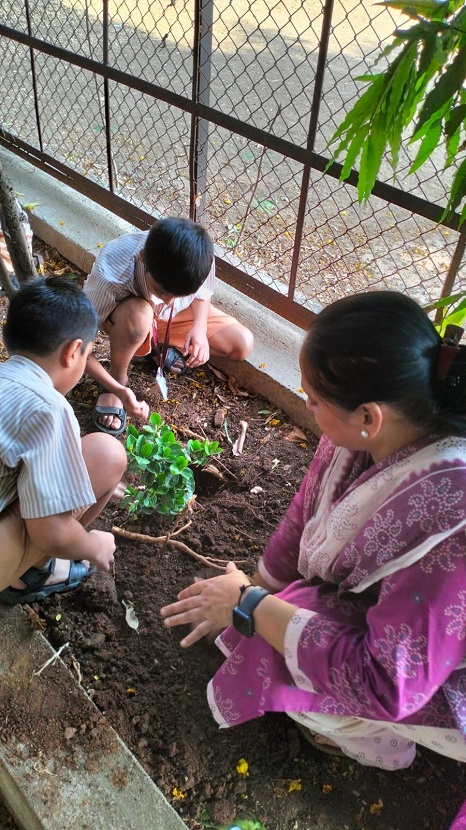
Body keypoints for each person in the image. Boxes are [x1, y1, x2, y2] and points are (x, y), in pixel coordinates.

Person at [161, 290, 466, 771]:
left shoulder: (450, 525)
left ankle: (381, 747)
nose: (307, 404)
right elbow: (305, 511)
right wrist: (257, 593)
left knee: (285, 639)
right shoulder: (366, 436)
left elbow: (386, 684)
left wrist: (249, 604)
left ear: (368, 416)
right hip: (404, 631)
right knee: (284, 617)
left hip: (425, 682)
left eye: (315, 398)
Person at [0, 276, 127, 604]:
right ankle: (31, 574)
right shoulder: (48, 407)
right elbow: (50, 530)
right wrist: (92, 545)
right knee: (108, 453)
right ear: (73, 352)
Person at [83, 217, 254, 435]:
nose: (168, 302)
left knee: (241, 344)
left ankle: (154, 346)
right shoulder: (111, 273)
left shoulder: (198, 255)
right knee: (140, 315)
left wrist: (199, 329)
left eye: (181, 295)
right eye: (162, 292)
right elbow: (78, 344)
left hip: (169, 319)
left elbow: (202, 293)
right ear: (143, 258)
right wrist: (119, 389)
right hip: (128, 317)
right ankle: (116, 379)